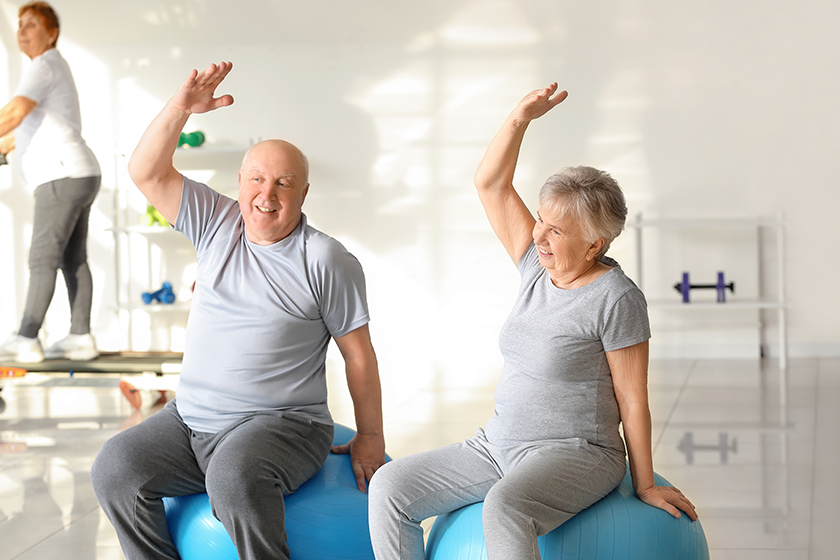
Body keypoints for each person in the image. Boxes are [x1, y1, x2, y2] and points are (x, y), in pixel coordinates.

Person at [368, 84, 697, 559]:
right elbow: (490, 184)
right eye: (540, 220)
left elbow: (633, 400)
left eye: (556, 230)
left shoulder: (616, 298)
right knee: (390, 487)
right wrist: (520, 118)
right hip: (497, 443)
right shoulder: (535, 265)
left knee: (504, 508)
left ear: (594, 244)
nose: (539, 236)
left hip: (578, 454)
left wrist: (644, 484)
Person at [90, 62, 386, 560]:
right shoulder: (216, 221)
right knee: (116, 467)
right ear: (240, 181)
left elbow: (358, 355)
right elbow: (145, 170)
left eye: (283, 184)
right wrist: (180, 108)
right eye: (256, 179)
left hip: (285, 426)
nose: (266, 195)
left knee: (233, 479)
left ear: (304, 193)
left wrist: (372, 438)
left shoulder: (326, 259)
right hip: (190, 420)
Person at [0, 1, 101, 363]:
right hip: (79, 172)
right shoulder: (51, 68)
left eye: (31, 24)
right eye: (19, 25)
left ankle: (26, 338)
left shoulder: (43, 65)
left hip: (62, 175)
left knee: (42, 257)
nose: (22, 31)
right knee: (72, 259)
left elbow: (13, 114)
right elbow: (23, 132)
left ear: (51, 33)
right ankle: (80, 336)